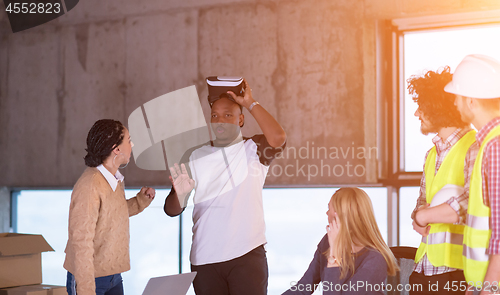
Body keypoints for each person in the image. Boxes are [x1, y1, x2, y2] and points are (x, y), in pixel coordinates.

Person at [164, 78, 287, 295]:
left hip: (247, 256)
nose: (220, 120)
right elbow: (172, 209)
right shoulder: (194, 155)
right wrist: (181, 195)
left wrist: (250, 103)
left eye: (228, 115)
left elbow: (278, 138)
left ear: (241, 120)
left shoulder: (255, 148)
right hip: (205, 260)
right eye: (215, 115)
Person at [63, 119, 155, 295]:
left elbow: (112, 214)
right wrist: (86, 290)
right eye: (129, 140)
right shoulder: (90, 185)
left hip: (112, 275)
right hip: (90, 278)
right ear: (116, 149)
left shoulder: (113, 180)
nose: (132, 144)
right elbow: (81, 242)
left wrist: (140, 201)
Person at [408, 67, 478, 294]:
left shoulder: (475, 147)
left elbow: (474, 203)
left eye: (422, 106)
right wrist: (418, 216)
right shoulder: (431, 155)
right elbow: (421, 203)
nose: (417, 113)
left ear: (438, 107)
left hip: (457, 273)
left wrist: (424, 215)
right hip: (423, 271)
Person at [446, 54, 500, 294]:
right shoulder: (489, 142)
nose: (454, 104)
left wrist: (489, 286)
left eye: (457, 97)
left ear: (470, 101)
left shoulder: (495, 145)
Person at [281, 187, 398, 295]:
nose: (326, 213)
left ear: (340, 215)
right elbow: (304, 287)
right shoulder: (327, 242)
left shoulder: (375, 259)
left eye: (329, 208)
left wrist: (334, 256)